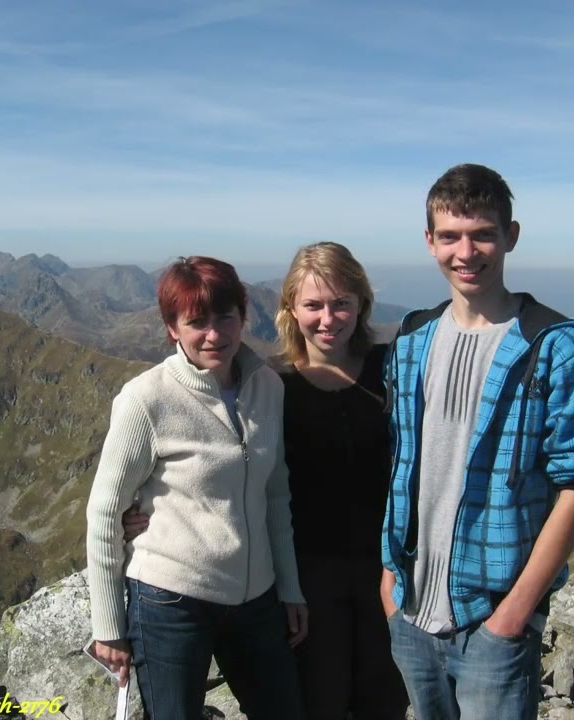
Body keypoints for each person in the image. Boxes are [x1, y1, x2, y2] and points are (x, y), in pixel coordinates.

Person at [124, 242, 409, 720]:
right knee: (319, 701)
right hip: (307, 578)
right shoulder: (276, 386)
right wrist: (149, 512)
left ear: (362, 303)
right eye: (313, 305)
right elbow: (229, 469)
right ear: (290, 311)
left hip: (389, 572)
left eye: (341, 302)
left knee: (385, 702)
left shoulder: (395, 369)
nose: (328, 318)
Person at [379, 163, 574, 720]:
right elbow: (402, 464)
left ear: (510, 236)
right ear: (429, 242)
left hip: (492, 618)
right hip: (410, 611)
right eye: (450, 237)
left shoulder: (555, 347)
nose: (466, 252)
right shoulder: (413, 338)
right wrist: (390, 583)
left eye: (482, 233)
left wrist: (514, 615)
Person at [85, 255, 308, 720]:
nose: (215, 334)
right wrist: (108, 625)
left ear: (243, 316)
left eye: (225, 317)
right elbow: (106, 511)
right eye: (196, 321)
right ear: (172, 328)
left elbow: (275, 494)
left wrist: (289, 588)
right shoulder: (146, 399)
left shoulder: (267, 386)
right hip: (171, 602)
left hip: (257, 600)